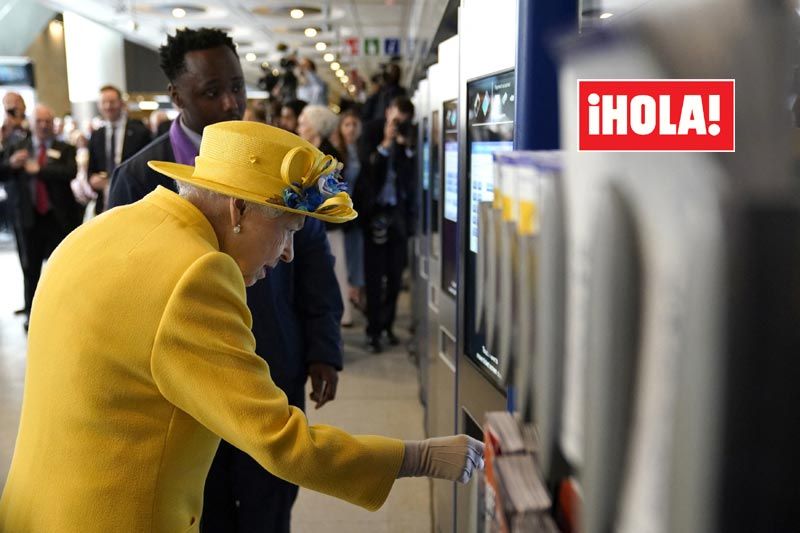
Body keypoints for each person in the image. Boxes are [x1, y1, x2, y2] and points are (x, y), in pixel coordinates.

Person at [0, 120, 484, 532]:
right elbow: (281, 440)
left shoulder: (105, 229)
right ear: (239, 210)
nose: (289, 253)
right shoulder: (198, 276)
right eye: (289, 228)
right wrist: (419, 457)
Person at [107, 27, 344, 532]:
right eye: (211, 91)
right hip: (183, 385)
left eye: (237, 86)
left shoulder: (280, 162)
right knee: (202, 507)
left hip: (271, 359)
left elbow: (314, 259)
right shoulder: (137, 178)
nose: (230, 102)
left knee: (271, 502)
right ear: (177, 95)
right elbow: (120, 286)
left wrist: (324, 346)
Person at [0, 103, 82, 328]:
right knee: (30, 268)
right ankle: (32, 315)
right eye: (40, 121)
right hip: (29, 218)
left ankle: (66, 312)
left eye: (48, 121)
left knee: (63, 268)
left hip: (58, 218)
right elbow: (3, 173)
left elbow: (70, 172)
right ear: (32, 123)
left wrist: (41, 170)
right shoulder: (19, 147)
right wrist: (12, 163)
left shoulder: (63, 147)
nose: (44, 126)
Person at [355, 96, 416, 353]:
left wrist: (405, 147)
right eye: (395, 120)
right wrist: (386, 143)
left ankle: (387, 326)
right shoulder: (370, 130)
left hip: (398, 215)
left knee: (394, 275)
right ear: (388, 110)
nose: (398, 124)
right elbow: (368, 168)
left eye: (403, 122)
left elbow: (411, 176)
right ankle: (373, 330)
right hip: (374, 213)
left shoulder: (408, 135)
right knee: (374, 275)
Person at [297, 104, 354, 327]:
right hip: (316, 223)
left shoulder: (330, 155)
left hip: (328, 224)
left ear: (316, 126)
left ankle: (336, 317)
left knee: (333, 272)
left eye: (304, 122)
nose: (300, 127)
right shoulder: (310, 151)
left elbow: (335, 193)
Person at [86, 85, 151, 214]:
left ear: (121, 103)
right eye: (104, 102)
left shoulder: (140, 131)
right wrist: (93, 180)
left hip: (134, 200)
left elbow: (147, 166)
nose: (108, 106)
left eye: (112, 102)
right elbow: (90, 170)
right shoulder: (96, 135)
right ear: (99, 106)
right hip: (104, 203)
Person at [333, 109, 365, 312]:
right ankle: (347, 300)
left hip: (358, 210)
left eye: (354, 124)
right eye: (347, 124)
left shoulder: (361, 149)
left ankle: (355, 292)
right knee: (342, 256)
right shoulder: (337, 151)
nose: (351, 129)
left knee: (356, 253)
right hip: (342, 209)